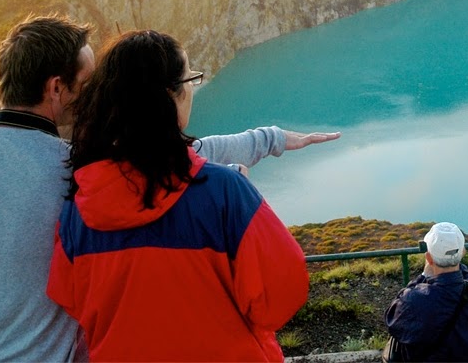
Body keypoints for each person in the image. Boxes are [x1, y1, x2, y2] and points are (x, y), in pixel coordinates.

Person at [0, 15, 338, 361]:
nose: (95, 96)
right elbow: (279, 296)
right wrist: (243, 170)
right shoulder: (75, 173)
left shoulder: (79, 188)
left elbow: (72, 294)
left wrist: (266, 140)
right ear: (57, 88)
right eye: (89, 84)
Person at [46, 29, 308, 360]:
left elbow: (71, 301)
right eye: (189, 81)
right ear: (170, 95)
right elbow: (281, 295)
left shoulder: (76, 209)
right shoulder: (224, 191)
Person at [384, 222, 468, 362]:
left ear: (428, 258)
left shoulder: (413, 301)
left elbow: (392, 321)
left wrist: (423, 276)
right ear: (462, 252)